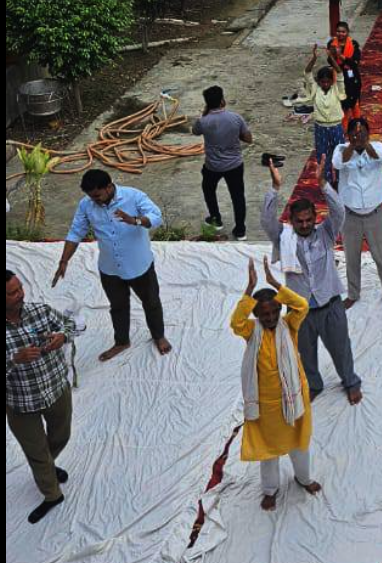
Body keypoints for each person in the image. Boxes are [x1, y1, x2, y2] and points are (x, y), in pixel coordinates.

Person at [262, 158, 363, 403]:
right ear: (291, 221)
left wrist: (323, 183)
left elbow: (339, 212)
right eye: (300, 221)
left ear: (315, 218)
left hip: (330, 305)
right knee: (305, 353)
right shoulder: (284, 238)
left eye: (309, 220)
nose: (305, 224)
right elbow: (266, 221)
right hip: (300, 310)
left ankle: (350, 381)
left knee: (341, 347)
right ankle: (314, 384)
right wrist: (275, 188)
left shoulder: (326, 233)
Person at [54, 169, 170, 362]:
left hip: (139, 265)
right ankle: (122, 341)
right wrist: (64, 260)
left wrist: (135, 220)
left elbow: (156, 216)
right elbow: (76, 232)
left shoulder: (133, 196)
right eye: (91, 197)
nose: (95, 200)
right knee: (118, 306)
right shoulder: (86, 205)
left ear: (108, 187)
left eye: (97, 195)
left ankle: (159, 336)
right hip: (110, 268)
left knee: (151, 302)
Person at [232, 256, 320, 510]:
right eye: (264, 313)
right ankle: (270, 490)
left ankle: (304, 478)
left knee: (299, 445)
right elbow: (236, 323)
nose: (270, 317)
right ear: (256, 315)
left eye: (274, 311)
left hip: (294, 399)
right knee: (268, 452)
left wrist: (275, 284)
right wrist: (249, 289)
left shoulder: (289, 326)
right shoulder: (252, 332)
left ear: (280, 310)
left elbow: (302, 306)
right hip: (266, 407)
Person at [6, 269, 76, 524]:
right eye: (12, 293)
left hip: (56, 390)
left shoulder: (41, 311)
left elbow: (71, 325)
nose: (20, 294)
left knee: (61, 436)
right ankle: (52, 495)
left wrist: (62, 336)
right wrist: (13, 359)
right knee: (36, 451)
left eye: (20, 288)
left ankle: (47, 466)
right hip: (21, 403)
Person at [333, 119, 382, 309]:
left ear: (369, 134)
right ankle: (353, 294)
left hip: (375, 214)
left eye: (362, 133)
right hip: (350, 215)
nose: (358, 137)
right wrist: (353, 143)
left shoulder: (378, 147)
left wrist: (364, 142)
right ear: (348, 135)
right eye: (354, 133)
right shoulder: (341, 149)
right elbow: (338, 164)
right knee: (352, 258)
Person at [192, 85, 252, 238]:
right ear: (222, 101)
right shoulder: (236, 118)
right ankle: (240, 230)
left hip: (213, 166)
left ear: (207, 103)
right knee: (238, 196)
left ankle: (216, 219)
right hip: (234, 165)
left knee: (208, 189)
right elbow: (248, 139)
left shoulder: (203, 121)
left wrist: (205, 113)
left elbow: (195, 131)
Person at [302, 49, 347, 187]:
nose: (325, 84)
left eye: (328, 82)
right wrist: (314, 58)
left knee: (339, 155)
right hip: (321, 128)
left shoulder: (337, 89)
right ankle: (327, 183)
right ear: (319, 81)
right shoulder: (315, 89)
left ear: (332, 81)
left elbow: (340, 73)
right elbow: (307, 73)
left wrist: (331, 58)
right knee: (323, 157)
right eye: (323, 82)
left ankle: (340, 182)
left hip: (336, 127)